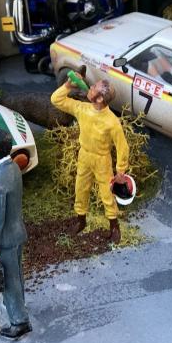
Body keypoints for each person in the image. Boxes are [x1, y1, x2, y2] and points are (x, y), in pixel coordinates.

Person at [50, 70, 130, 243]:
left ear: (100, 99)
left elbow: (122, 146)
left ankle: (114, 225)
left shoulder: (112, 121)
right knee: (81, 188)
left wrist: (121, 171)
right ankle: (81, 220)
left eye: (94, 88)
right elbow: (56, 100)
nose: (90, 87)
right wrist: (67, 86)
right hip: (84, 155)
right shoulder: (82, 109)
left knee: (107, 193)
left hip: (102, 160)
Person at [0, 129, 31, 340]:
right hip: (18, 232)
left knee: (9, 281)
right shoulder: (13, 167)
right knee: (17, 274)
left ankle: (19, 321)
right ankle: (19, 304)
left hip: (6, 239)